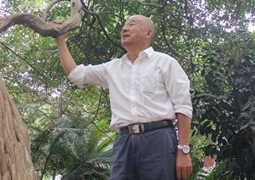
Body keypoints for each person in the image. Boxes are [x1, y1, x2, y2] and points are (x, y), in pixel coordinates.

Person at [54, 15, 193, 180]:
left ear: (148, 34)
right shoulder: (112, 68)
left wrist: (183, 149)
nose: (125, 29)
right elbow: (76, 74)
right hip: (124, 142)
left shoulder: (165, 63)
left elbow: (183, 106)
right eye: (124, 26)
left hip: (158, 139)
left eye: (131, 25)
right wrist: (60, 40)